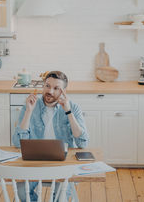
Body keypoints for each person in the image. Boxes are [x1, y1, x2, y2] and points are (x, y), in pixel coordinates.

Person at [12, 71, 89, 202]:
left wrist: (68, 111)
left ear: (64, 91)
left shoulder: (73, 107)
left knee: (61, 195)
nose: (50, 91)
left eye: (56, 88)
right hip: (34, 164)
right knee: (20, 190)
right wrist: (29, 111)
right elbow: (18, 143)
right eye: (47, 86)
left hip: (63, 165)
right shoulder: (30, 105)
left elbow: (82, 143)